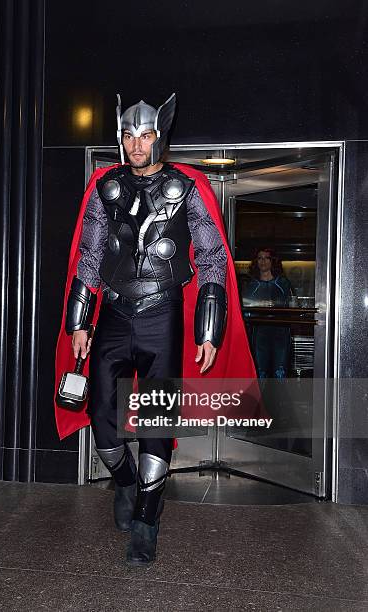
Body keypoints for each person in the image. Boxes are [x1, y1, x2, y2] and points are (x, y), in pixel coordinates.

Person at [54, 94, 258, 566]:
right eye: (128, 135)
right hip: (114, 314)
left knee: (156, 420)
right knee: (103, 419)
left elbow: (210, 260)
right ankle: (125, 481)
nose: (136, 144)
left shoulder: (187, 186)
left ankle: (148, 517)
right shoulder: (106, 187)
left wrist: (208, 330)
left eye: (145, 135)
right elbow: (88, 255)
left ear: (159, 136)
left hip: (162, 314)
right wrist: (79, 322)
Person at [243, 247, 294, 378]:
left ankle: (278, 398)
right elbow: (244, 309)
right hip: (259, 333)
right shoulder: (250, 284)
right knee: (260, 372)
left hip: (281, 333)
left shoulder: (283, 284)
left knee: (281, 371)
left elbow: (292, 306)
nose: (263, 261)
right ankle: (259, 399)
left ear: (273, 261)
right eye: (260, 258)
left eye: (266, 258)